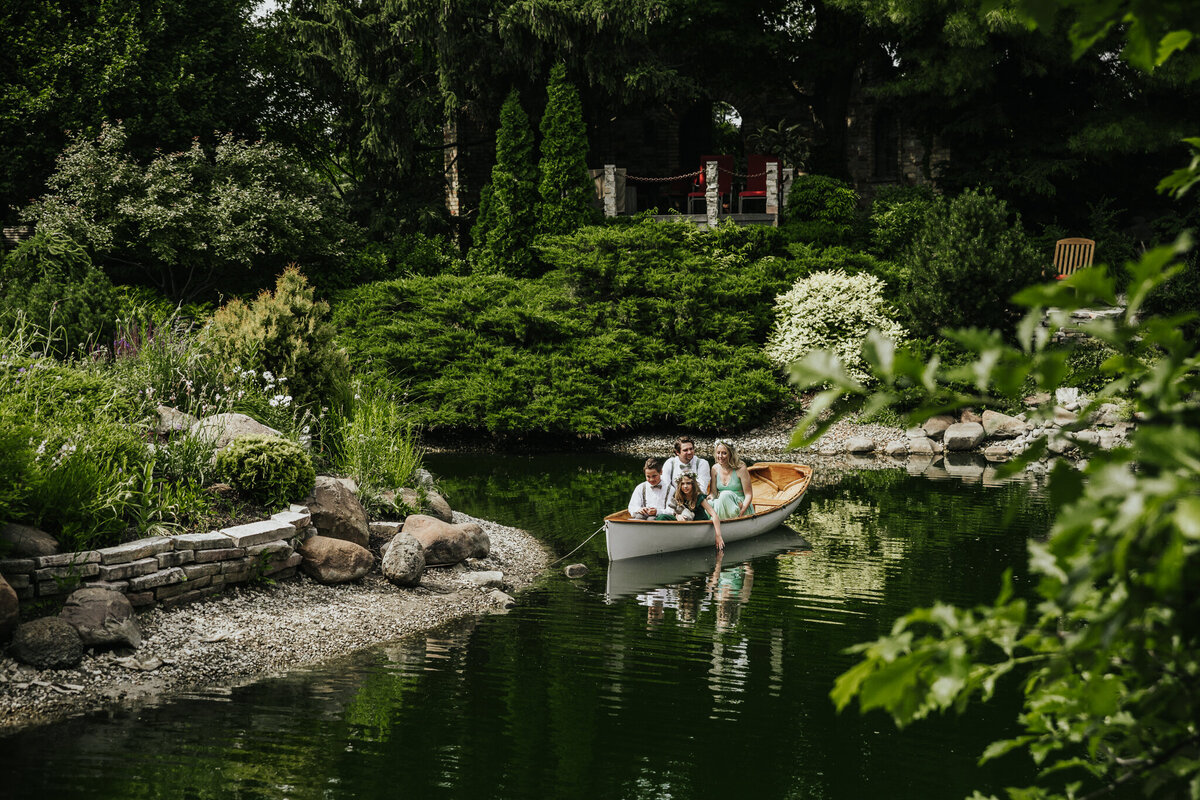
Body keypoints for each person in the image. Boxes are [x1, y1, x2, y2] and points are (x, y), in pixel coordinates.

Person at [665, 473, 724, 550]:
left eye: (688, 483)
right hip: (685, 524)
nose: (685, 486)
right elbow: (672, 510)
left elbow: (714, 514)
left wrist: (718, 535)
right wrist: (677, 516)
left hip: (699, 524)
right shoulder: (679, 496)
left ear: (693, 484)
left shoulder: (698, 497)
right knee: (663, 517)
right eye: (682, 484)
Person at [709, 439, 754, 520]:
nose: (720, 456)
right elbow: (714, 493)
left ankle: (722, 520)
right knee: (708, 502)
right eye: (718, 453)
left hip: (740, 506)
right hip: (722, 504)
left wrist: (742, 510)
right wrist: (709, 498)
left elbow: (748, 495)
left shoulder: (741, 468)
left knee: (725, 494)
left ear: (731, 454)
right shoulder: (714, 469)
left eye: (724, 453)